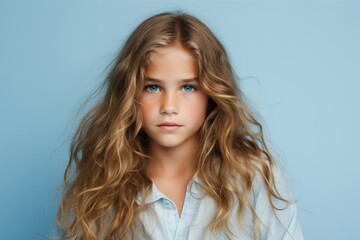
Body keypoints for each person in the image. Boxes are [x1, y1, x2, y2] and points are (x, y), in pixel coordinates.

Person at [57, 12, 303, 240]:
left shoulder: (253, 177)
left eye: (188, 87)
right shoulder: (104, 182)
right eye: (152, 87)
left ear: (212, 93)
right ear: (129, 94)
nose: (169, 106)